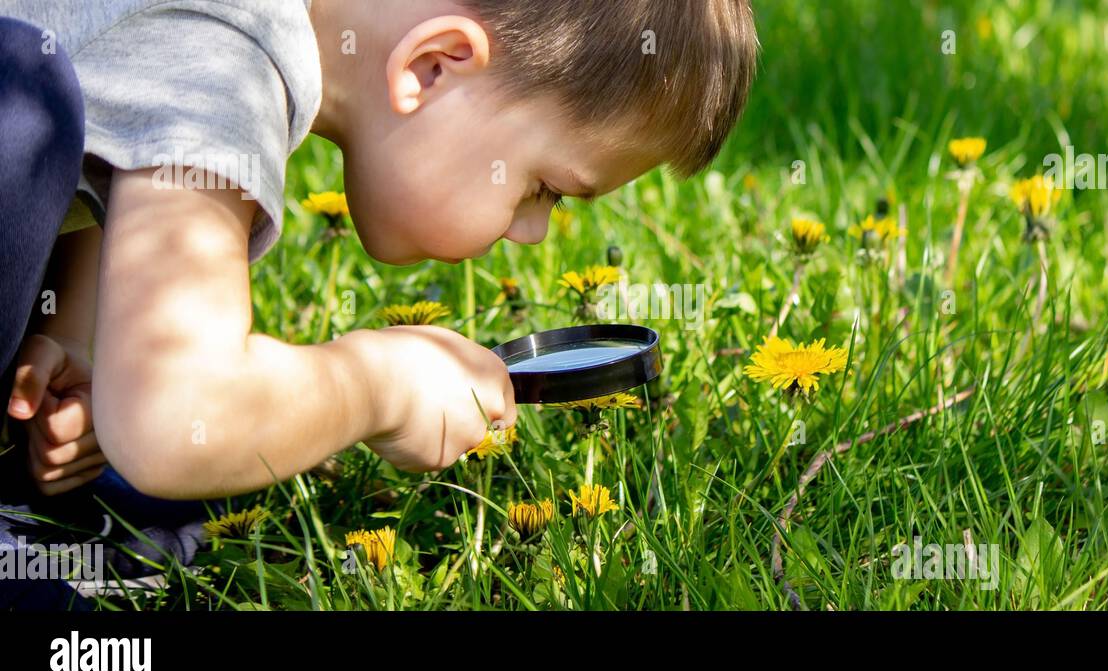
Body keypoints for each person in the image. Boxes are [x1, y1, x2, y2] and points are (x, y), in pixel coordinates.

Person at [0, 0, 758, 608]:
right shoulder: (222, 57)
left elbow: (103, 139)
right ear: (433, 66)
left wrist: (78, 342)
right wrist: (375, 382)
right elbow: (172, 424)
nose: (532, 232)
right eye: (543, 188)